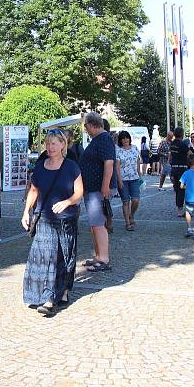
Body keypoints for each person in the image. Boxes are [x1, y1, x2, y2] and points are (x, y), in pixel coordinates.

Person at [21, 130, 83, 315]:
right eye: (47, 144)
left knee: (65, 257)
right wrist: (26, 212)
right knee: (46, 257)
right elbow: (33, 191)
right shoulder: (40, 167)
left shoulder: (72, 166)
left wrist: (67, 202)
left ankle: (63, 291)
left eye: (54, 144)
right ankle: (47, 299)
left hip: (66, 220)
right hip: (45, 219)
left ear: (62, 145)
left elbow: (79, 192)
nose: (50, 147)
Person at [78, 112, 115, 272]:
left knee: (98, 224)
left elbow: (109, 163)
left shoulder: (104, 139)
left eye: (86, 126)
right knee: (95, 224)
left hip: (97, 189)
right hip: (92, 189)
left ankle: (104, 259)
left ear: (92, 125)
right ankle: (99, 255)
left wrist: (105, 186)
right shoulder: (98, 139)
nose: (85, 129)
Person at [115, 130, 141, 231]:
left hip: (134, 178)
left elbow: (137, 160)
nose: (125, 140)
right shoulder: (118, 151)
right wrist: (119, 180)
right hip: (123, 179)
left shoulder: (134, 148)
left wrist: (139, 173)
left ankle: (132, 214)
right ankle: (127, 222)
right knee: (125, 201)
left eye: (127, 138)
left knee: (136, 200)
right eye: (123, 138)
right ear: (120, 140)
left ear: (129, 138)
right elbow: (117, 166)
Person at [180, 154, 194, 239]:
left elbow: (181, 186)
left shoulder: (186, 173)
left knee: (188, 212)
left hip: (189, 197)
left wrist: (187, 186)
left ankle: (189, 228)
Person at [169, 127, 191, 217]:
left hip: (174, 168)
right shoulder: (182, 144)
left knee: (177, 189)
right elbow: (190, 154)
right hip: (182, 169)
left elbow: (171, 156)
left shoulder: (172, 144)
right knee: (183, 189)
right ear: (182, 134)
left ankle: (179, 209)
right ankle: (184, 209)